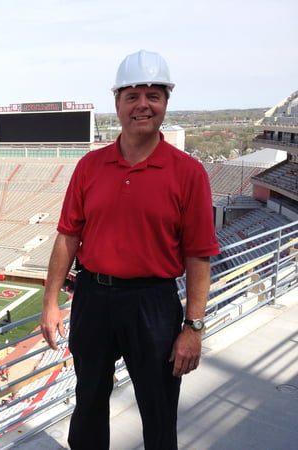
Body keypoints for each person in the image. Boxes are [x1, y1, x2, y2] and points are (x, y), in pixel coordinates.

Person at [40, 49, 220, 450]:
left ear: (166, 103)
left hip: (152, 302)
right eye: (132, 96)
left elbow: (198, 254)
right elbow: (68, 236)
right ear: (118, 103)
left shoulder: (188, 172)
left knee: (158, 412)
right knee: (87, 406)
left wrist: (192, 328)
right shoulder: (90, 166)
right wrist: (50, 301)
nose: (142, 105)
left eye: (153, 96)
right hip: (93, 297)